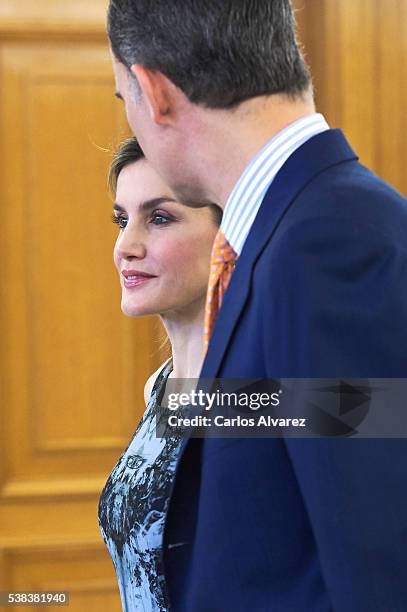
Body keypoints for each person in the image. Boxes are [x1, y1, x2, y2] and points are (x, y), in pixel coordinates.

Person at [107, 1, 407, 610]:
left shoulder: (328, 239)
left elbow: (377, 563)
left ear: (153, 91)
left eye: (123, 101)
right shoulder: (301, 229)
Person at [98, 137, 221, 611]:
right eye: (121, 220)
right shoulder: (161, 388)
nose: (126, 246)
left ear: (227, 238)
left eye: (160, 218)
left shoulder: (263, 394)